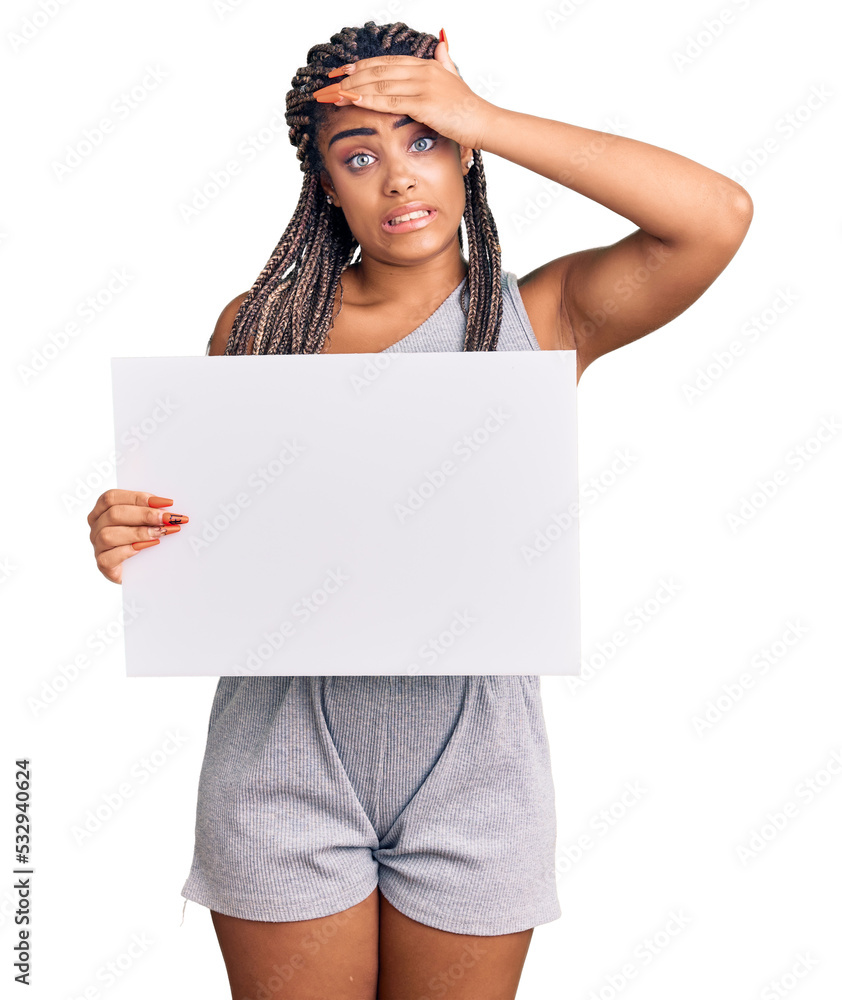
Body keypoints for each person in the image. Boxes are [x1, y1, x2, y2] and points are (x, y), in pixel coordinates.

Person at [86, 20, 752, 1000]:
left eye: (423, 140)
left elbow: (716, 215)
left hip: (478, 770)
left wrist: (479, 112)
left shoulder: (540, 319)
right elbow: (220, 540)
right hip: (280, 760)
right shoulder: (259, 329)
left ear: (462, 151)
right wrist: (131, 534)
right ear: (325, 184)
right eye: (360, 155)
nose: (399, 178)